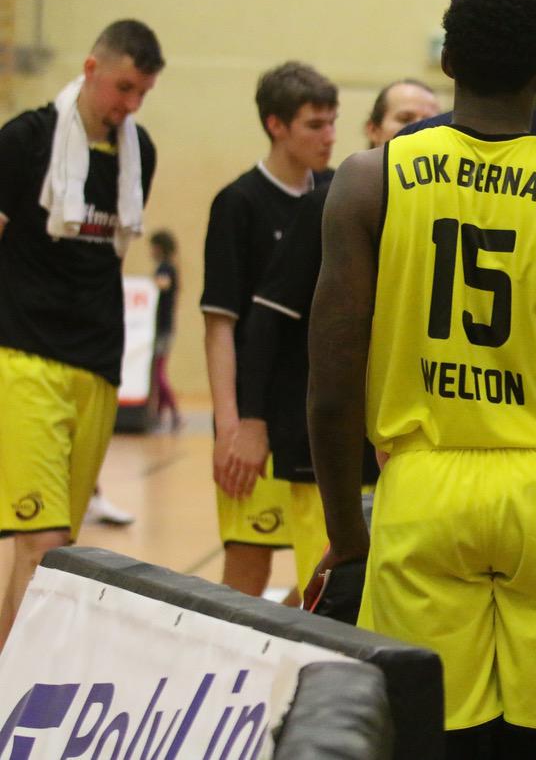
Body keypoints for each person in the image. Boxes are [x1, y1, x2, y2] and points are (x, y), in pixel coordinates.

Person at [307, 0, 536, 758]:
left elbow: (330, 392)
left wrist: (348, 537)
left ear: (449, 61)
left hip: (423, 488)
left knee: (429, 739)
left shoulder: (368, 180)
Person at [233, 79, 438, 597]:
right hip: (325, 447)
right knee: (328, 594)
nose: (419, 127)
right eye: (404, 117)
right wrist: (250, 420)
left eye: (430, 117)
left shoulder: (441, 213)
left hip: (403, 449)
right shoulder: (331, 202)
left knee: (369, 596)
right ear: (372, 130)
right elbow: (267, 318)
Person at [0, 19, 164, 648]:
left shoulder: (140, 153)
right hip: (24, 358)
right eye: (124, 88)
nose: (131, 104)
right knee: (40, 541)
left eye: (143, 93)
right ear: (92, 69)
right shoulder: (25, 139)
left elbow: (109, 259)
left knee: (56, 550)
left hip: (97, 362)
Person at [200, 61, 338, 596]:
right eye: (314, 125)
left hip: (307, 424)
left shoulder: (334, 195)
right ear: (276, 125)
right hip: (255, 419)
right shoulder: (239, 203)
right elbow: (221, 326)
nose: (329, 136)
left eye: (332, 122)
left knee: (321, 574)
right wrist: (231, 426)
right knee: (248, 569)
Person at [149, 229, 181, 432]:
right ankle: (160, 413)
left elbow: (163, 283)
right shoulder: (167, 267)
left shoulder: (166, 267)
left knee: (159, 372)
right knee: (157, 372)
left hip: (162, 328)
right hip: (163, 327)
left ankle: (174, 412)